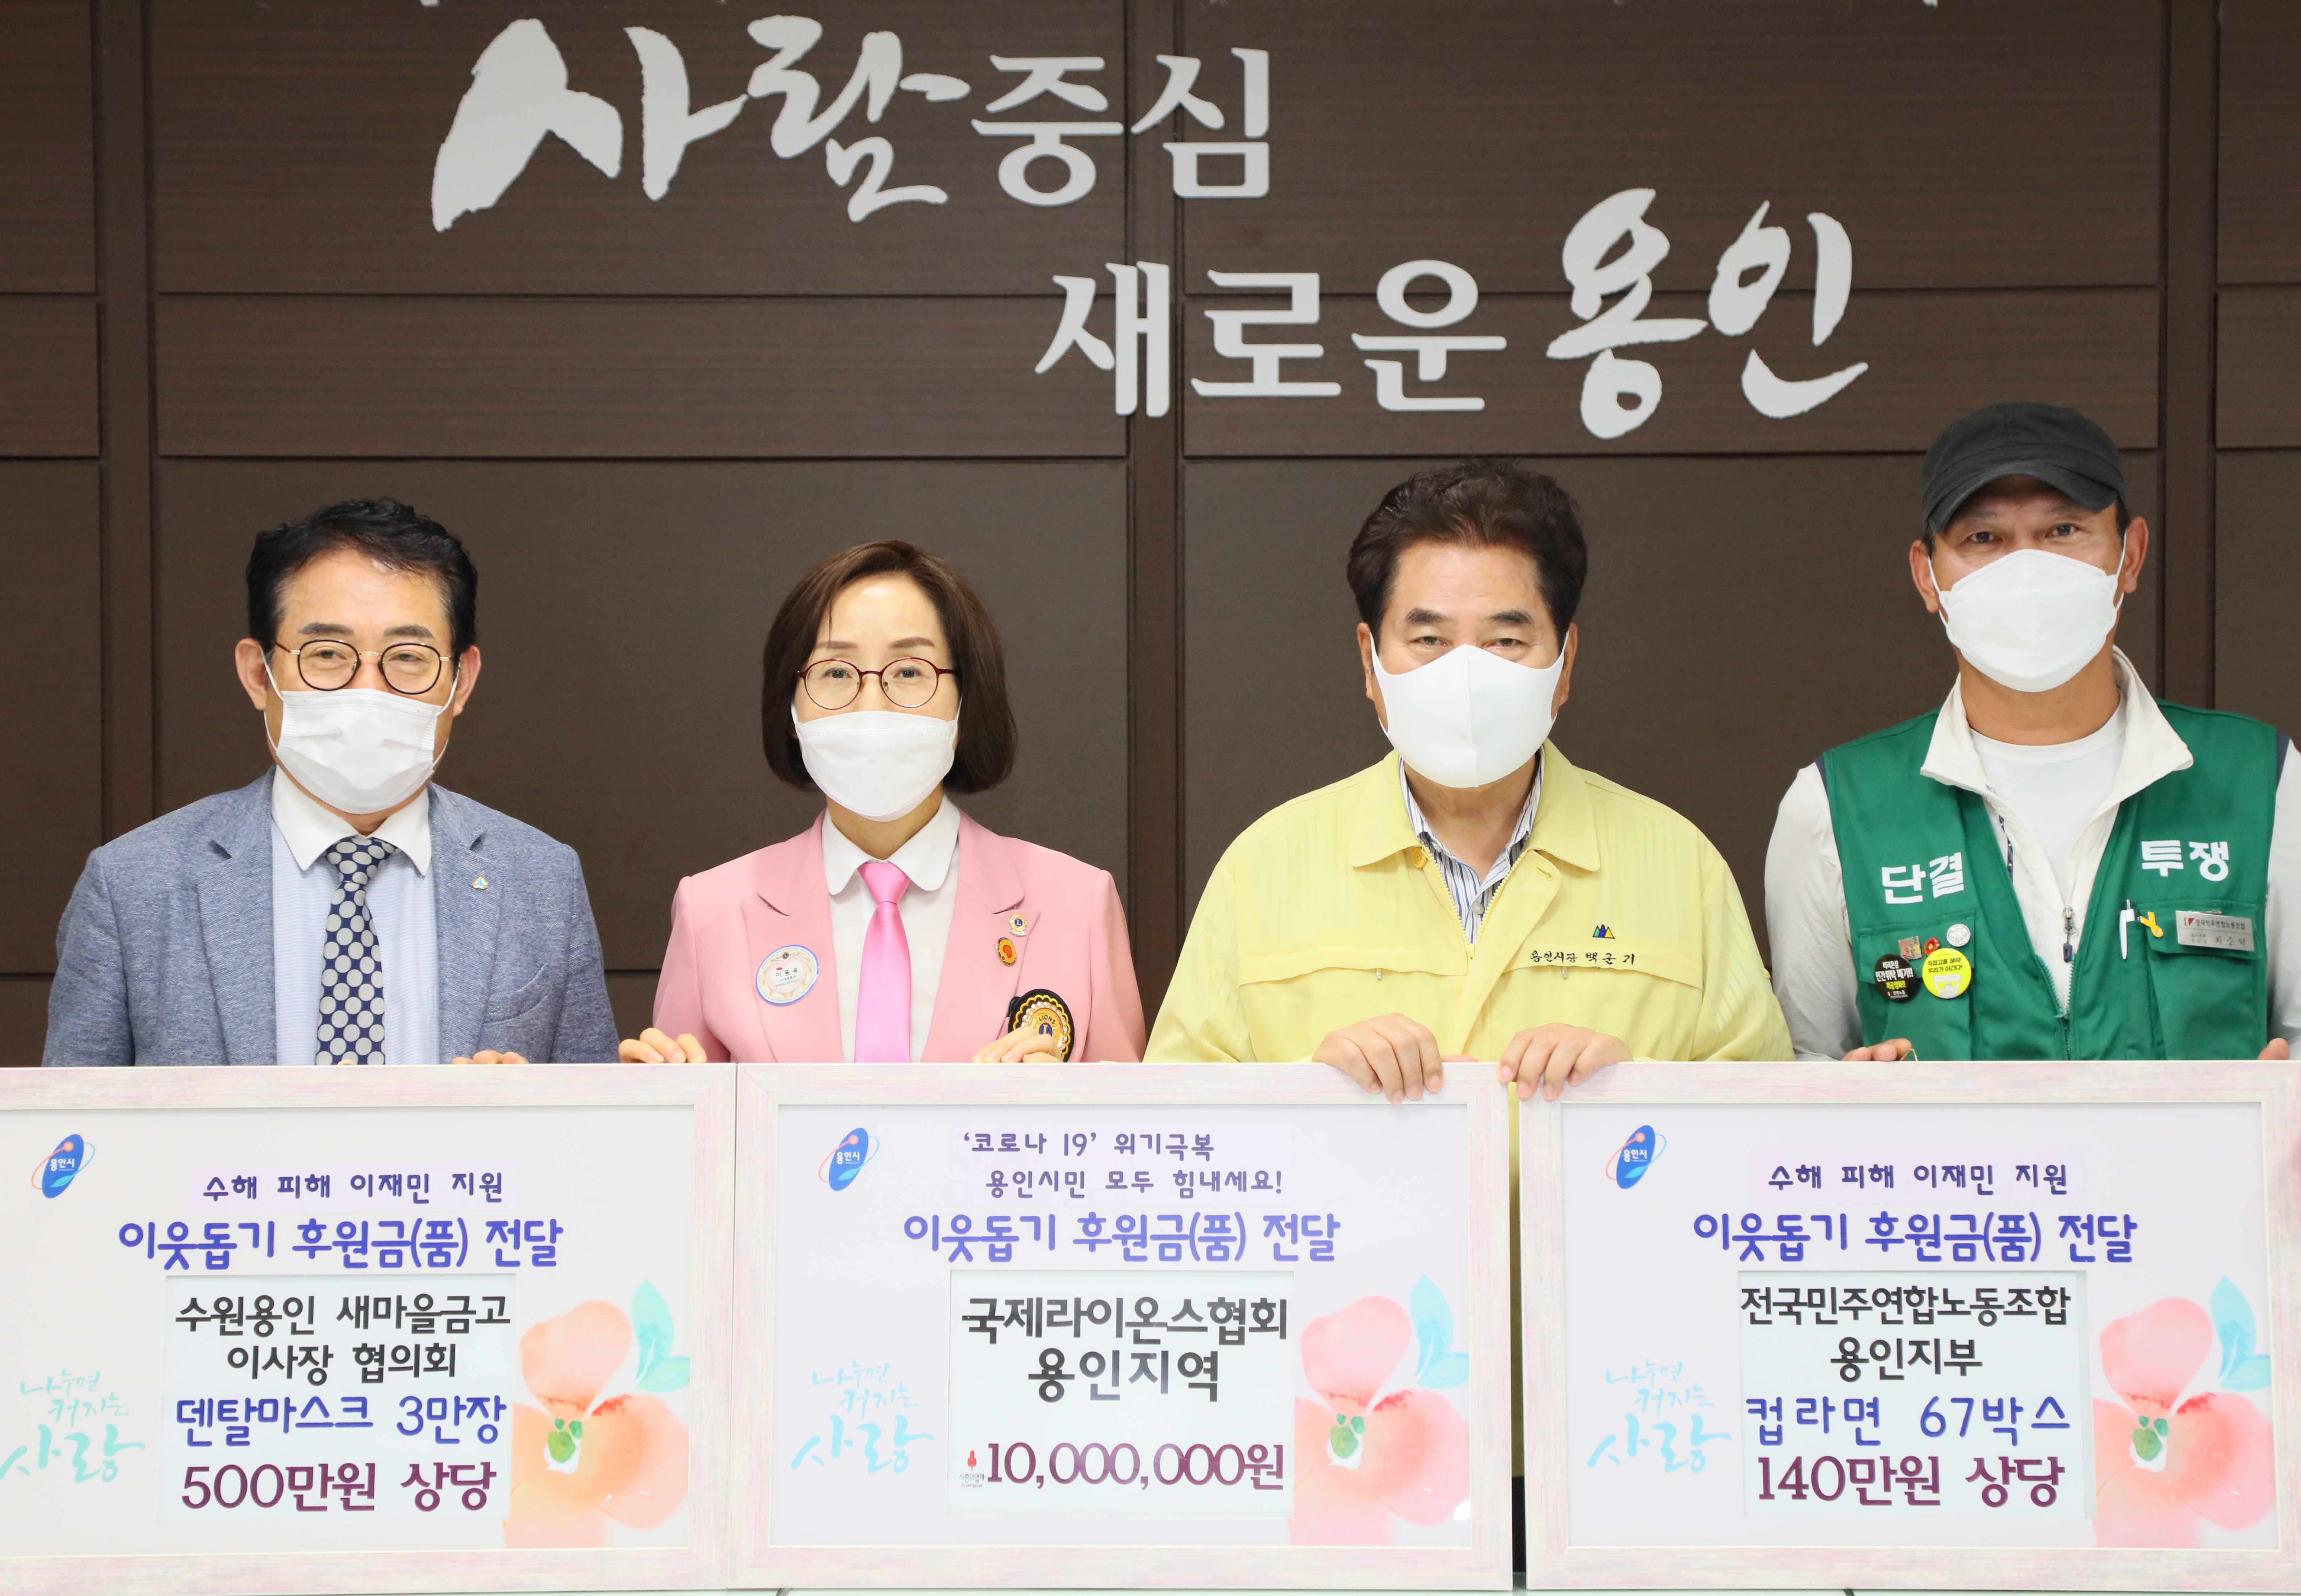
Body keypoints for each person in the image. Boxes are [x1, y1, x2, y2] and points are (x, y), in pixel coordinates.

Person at [1148, 459, 1789, 1093]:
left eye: (1505, 642)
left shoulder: (1678, 865)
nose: (1466, 676)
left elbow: (1768, 1120)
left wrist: (1634, 1092)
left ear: (1565, 663)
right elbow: (1174, 1120)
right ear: (1370, 662)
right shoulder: (1265, 866)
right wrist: (1313, 1097)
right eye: (1428, 639)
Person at [1765, 399, 2301, 1061]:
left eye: (2063, 530)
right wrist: (1845, 1096)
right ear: (1926, 576)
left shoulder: (2264, 781)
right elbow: (1802, 1065)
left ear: (2130, 556)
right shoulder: (1835, 806)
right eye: (1982, 539)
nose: (2025, 570)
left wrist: (2281, 1104)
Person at [43, 499, 618, 1067]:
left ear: (460, 681)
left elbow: (591, 1110)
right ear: (258, 674)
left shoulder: (541, 879)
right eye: (326, 654)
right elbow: (70, 1120)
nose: (367, 690)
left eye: (408, 657)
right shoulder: (133, 884)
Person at [620, 541, 1145, 1064]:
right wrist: (652, 1097)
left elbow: (1132, 1112)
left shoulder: (1077, 904)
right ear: (790, 709)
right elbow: (689, 1103)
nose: (872, 706)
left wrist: (1065, 1103)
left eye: (910, 672)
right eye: (836, 673)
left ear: (966, 703)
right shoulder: (712, 910)